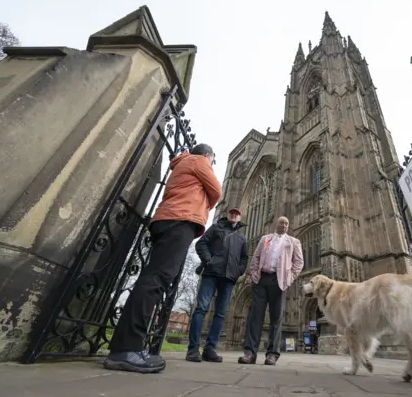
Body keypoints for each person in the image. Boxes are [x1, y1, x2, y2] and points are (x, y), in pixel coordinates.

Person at [103, 143, 222, 374]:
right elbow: (216, 190)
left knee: (152, 279)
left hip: (168, 219)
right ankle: (126, 349)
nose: (211, 165)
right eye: (212, 161)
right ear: (207, 156)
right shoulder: (199, 161)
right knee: (155, 281)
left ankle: (125, 346)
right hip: (180, 220)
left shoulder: (182, 163)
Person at [237, 216, 304, 366]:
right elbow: (256, 257)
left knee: (276, 318)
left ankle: (272, 354)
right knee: (255, 317)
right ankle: (249, 354)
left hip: (279, 281)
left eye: (287, 223)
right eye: (282, 223)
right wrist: (254, 274)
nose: (285, 225)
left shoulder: (293, 242)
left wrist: (289, 278)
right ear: (276, 224)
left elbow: (299, 262)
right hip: (261, 280)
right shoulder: (265, 239)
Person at [185, 207, 248, 363]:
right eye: (232, 213)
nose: (234, 215)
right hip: (211, 274)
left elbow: (244, 259)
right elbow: (201, 244)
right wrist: (209, 261)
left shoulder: (241, 238)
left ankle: (210, 349)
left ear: (240, 218)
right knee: (201, 309)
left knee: (220, 313)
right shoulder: (216, 228)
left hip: (228, 278)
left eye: (237, 213)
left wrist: (237, 272)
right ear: (228, 216)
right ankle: (193, 349)